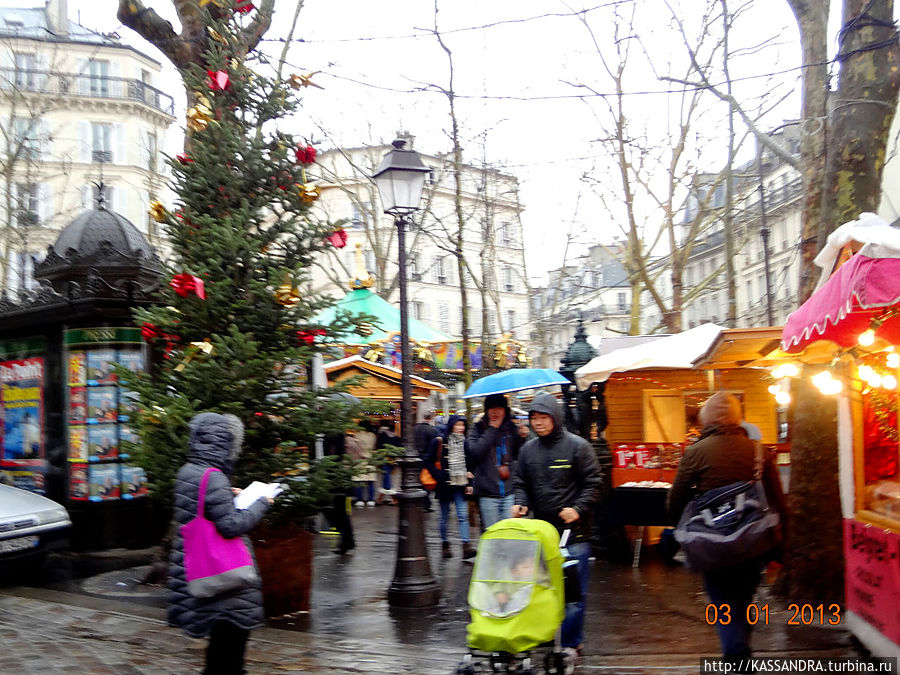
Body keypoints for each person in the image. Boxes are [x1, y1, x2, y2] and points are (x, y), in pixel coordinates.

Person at [667, 392, 787, 670]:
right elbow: (778, 501)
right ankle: (741, 648)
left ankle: (736, 655)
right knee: (745, 597)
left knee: (722, 600)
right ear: (737, 418)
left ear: (706, 418)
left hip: (712, 544)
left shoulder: (695, 452)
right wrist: (782, 543)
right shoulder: (759, 451)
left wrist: (681, 531)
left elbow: (676, 501)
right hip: (752, 543)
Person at [168, 412, 272, 675]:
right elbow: (231, 525)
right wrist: (262, 503)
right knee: (231, 647)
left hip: (195, 567)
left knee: (220, 647)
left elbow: (201, 509)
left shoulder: (189, 471)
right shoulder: (213, 476)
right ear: (224, 444)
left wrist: (228, 494)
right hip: (225, 574)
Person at [512, 391, 601, 662]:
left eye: (543, 417)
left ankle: (572, 643)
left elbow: (595, 483)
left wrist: (576, 509)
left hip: (574, 535)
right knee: (542, 589)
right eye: (533, 418)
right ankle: (546, 637)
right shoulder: (528, 450)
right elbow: (520, 482)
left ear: (555, 417)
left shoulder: (578, 446)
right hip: (541, 534)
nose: (538, 423)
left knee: (573, 594)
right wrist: (520, 502)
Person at [468, 393, 525, 529]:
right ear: (486, 410)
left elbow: (519, 455)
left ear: (505, 410)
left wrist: (522, 437)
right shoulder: (478, 429)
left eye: (499, 408)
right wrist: (492, 430)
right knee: (492, 534)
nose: (495, 412)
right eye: (491, 408)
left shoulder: (511, 428)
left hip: (509, 491)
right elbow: (475, 453)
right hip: (488, 493)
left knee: (510, 532)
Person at [427, 414, 476, 560]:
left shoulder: (465, 443)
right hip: (445, 485)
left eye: (463, 425)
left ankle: (466, 546)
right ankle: (445, 545)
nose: (460, 428)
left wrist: (470, 483)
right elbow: (427, 461)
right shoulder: (440, 441)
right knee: (444, 516)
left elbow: (470, 465)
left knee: (462, 515)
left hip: (461, 484)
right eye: (458, 425)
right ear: (451, 425)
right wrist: (439, 475)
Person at [415, 409, 441, 512]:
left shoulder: (415, 429)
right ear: (431, 418)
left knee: (418, 481)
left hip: (415, 457)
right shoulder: (432, 430)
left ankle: (421, 502)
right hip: (427, 458)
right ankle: (426, 503)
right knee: (426, 481)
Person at [350, 421, 377, 507]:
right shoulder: (373, 435)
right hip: (370, 459)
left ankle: (360, 500)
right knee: (370, 481)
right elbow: (374, 447)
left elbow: (355, 448)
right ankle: (371, 499)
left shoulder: (357, 435)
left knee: (359, 481)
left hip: (360, 459)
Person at [376, 420, 400, 505]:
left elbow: (378, 447)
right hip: (393, 461)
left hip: (384, 459)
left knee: (386, 477)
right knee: (387, 477)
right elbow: (400, 449)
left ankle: (381, 498)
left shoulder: (382, 436)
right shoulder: (397, 438)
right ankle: (392, 498)